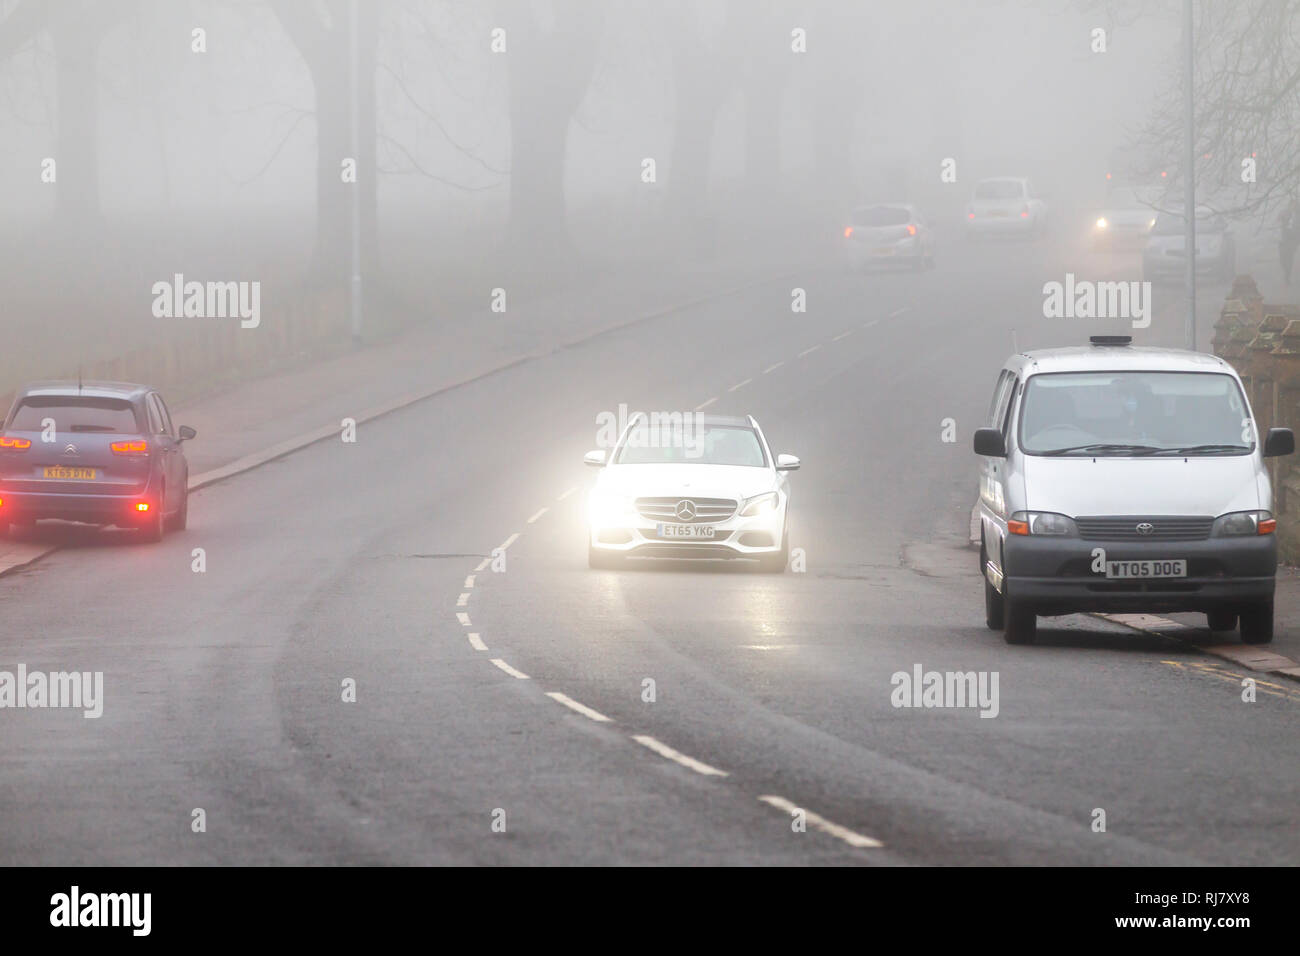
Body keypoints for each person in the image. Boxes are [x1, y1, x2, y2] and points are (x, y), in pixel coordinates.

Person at [1280, 200, 1300, 285]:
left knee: (1289, 258)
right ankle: (1286, 273)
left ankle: (1287, 276)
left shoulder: (1298, 216)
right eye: (1292, 205)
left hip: (1292, 240)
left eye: (1295, 206)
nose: (1293, 207)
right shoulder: (1285, 213)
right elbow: (1279, 224)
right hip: (1284, 239)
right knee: (1283, 259)